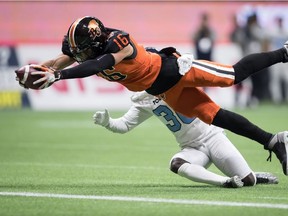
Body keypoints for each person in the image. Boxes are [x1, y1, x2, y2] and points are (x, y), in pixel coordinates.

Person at [16, 16, 288, 176]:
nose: (81, 55)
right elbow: (64, 59)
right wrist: (39, 70)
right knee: (212, 115)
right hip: (161, 90)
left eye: (85, 50)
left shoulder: (118, 41)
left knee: (231, 76)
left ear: (98, 41)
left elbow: (97, 65)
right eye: (79, 51)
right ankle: (274, 141)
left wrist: (60, 76)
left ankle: (283, 52)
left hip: (175, 70)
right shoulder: (82, 48)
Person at [93, 91, 278, 188]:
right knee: (176, 163)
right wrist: (107, 122)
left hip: (213, 136)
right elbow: (124, 125)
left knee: (248, 181)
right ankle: (224, 182)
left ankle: (254, 174)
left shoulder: (174, 79)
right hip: (191, 147)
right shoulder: (143, 98)